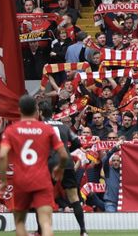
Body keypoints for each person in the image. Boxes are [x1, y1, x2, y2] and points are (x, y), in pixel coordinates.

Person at [0, 95, 69, 236]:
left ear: (20, 110)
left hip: (21, 180)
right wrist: (60, 168)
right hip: (42, 179)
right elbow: (63, 154)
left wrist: (3, 180)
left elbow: (2, 155)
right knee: (46, 223)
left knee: (19, 223)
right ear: (37, 111)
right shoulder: (46, 129)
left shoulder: (11, 130)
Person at [40, 100, 89, 236]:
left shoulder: (40, 126)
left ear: (40, 113)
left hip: (50, 164)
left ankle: (41, 231)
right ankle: (83, 231)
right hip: (66, 163)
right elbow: (78, 142)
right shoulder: (63, 126)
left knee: (43, 198)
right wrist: (66, 150)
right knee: (74, 197)